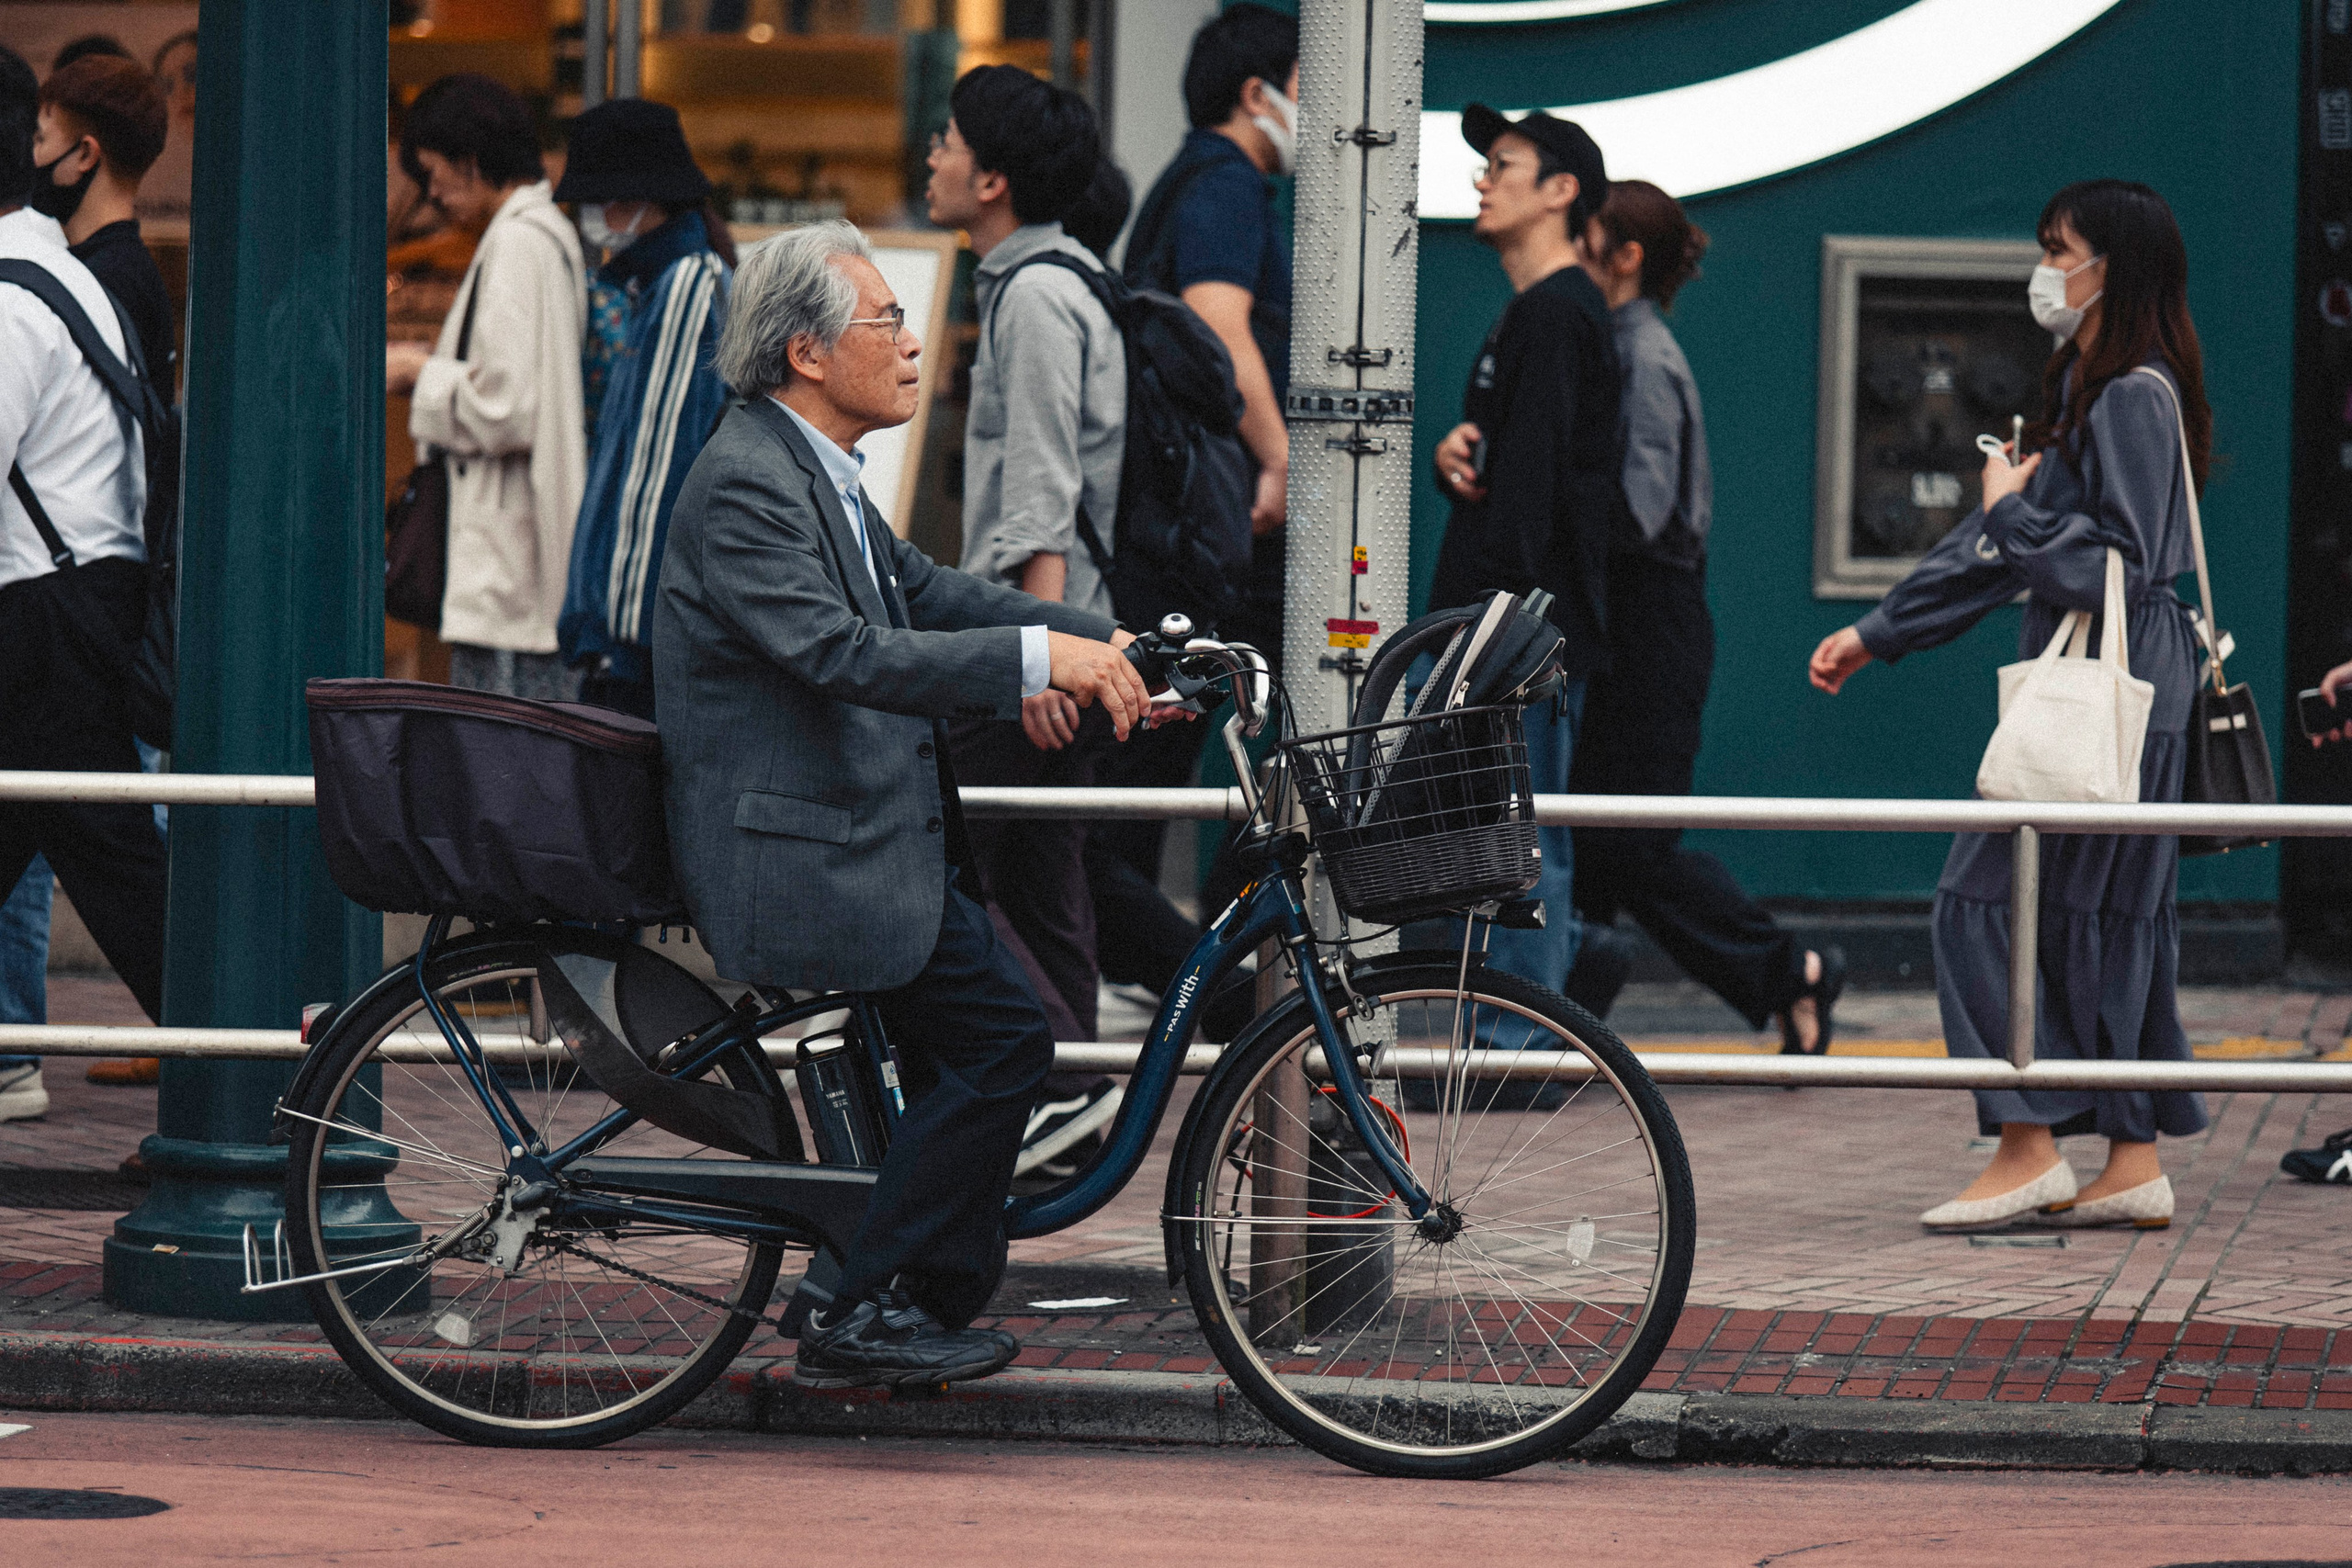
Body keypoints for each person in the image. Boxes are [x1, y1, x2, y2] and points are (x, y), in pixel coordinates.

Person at [654, 220, 1149, 1387]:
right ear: (809, 355)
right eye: (887, 322)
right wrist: (1041, 664)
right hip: (808, 853)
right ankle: (850, 1302)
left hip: (871, 836)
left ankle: (918, 1295)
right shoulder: (747, 482)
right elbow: (842, 653)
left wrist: (1107, 641)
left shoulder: (809, 470)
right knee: (1004, 1041)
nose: (916, 344)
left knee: (979, 1045)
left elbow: (924, 591)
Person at [1809, 180, 2211, 1232]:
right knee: (2106, 918)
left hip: (2112, 679)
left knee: (1983, 898)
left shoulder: (2127, 391)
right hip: (2134, 680)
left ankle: (2026, 1142)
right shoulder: (2104, 382)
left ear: (2107, 267)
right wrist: (1883, 630)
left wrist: (2014, 515)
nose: (2044, 269)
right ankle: (2130, 1156)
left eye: (2057, 249)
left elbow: (2114, 561)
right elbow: (2010, 552)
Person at [1564, 179, 1845, 1054]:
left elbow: (1640, 514)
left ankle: (1789, 968)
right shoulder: (1625, 346)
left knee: (1626, 842)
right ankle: (1560, 1021)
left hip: (1652, 625)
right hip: (1640, 624)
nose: (1572, 247)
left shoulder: (1642, 358)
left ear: (1626, 255)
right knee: (1596, 838)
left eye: (1589, 234)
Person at [925, 64, 1127, 1174]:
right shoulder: (1055, 280)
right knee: (1044, 880)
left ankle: (1056, 1081)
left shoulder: (1039, 297)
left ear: (993, 178)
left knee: (923, 840)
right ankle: (1068, 1106)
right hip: (1067, 634)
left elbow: (1042, 491)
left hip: (1048, 638)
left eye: (948, 143)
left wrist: (1042, 664)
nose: (932, 156)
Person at [1092, 4, 1299, 1001]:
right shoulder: (1224, 182)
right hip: (1201, 532)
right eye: (1303, 84)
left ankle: (1165, 975)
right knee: (1176, 754)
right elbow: (1222, 322)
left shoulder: (1185, 181)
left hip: (1164, 529)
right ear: (1255, 92)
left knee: (1152, 759)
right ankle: (1198, 984)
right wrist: (1278, 457)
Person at [0, 44, 169, 1122]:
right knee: (97, 846)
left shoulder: (14, 295)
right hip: (73, 608)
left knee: (113, 859)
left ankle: (258, 1077)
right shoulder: (55, 270)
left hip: (43, 616)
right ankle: (253, 1065)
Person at [1424, 106, 1622, 1005]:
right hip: (1522, 624)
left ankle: (1523, 1032)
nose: (1482, 179)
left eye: (1502, 164)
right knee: (1511, 824)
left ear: (1560, 191)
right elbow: (1529, 465)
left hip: (1520, 632)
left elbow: (1540, 492)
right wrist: (1461, 452)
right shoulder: (1542, 313)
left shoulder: (1554, 313)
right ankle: (1535, 1011)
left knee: (1516, 830)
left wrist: (1487, 636)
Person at [386, 74, 587, 702]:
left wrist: (417, 373)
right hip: (527, 559)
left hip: (510, 569)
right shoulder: (545, 235)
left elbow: (505, 406)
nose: (433, 193)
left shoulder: (516, 244)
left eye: (435, 172)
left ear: (471, 163)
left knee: (502, 751)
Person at [553, 97, 734, 720]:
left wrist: (619, 640)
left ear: (636, 197)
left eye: (595, 198)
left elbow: (656, 478)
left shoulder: (683, 285)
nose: (590, 215)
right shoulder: (659, 283)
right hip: (639, 638)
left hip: (639, 649)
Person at [29, 53, 172, 387]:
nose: (32, 156)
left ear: (85, 155)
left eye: (41, 140)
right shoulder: (132, 272)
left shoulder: (97, 282)